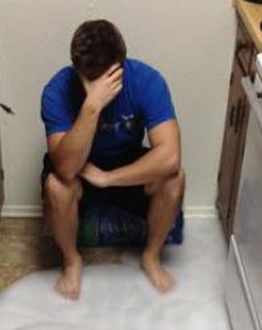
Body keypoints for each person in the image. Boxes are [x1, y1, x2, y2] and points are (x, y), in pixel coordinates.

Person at [41, 19, 185, 300]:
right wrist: (92, 106)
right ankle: (71, 261)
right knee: (56, 186)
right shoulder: (57, 90)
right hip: (80, 167)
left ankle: (151, 256)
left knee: (174, 179)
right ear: (76, 69)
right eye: (89, 78)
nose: (98, 84)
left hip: (123, 164)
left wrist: (109, 178)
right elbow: (66, 168)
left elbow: (169, 156)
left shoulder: (146, 81)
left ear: (121, 65)